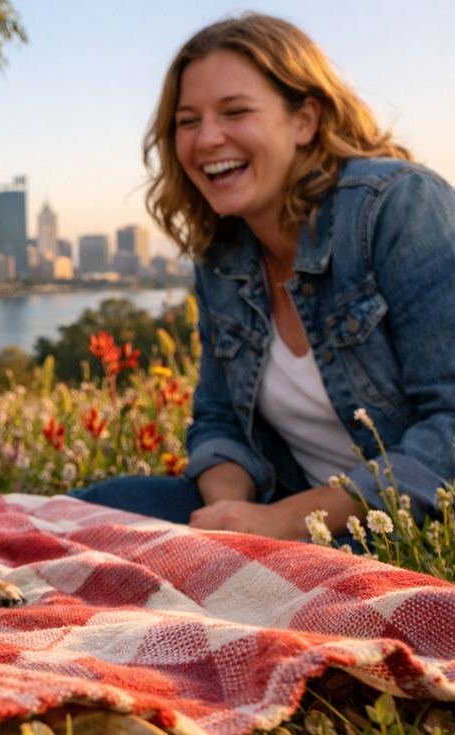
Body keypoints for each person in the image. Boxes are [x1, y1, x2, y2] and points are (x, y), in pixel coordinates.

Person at [69, 12, 455, 540]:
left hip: (413, 529)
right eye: (187, 121)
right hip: (281, 509)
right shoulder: (223, 254)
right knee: (78, 515)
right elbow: (219, 420)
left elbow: (451, 426)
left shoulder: (399, 208)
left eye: (235, 111)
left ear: (305, 120)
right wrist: (230, 523)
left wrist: (283, 524)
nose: (206, 139)